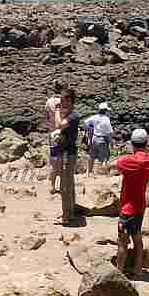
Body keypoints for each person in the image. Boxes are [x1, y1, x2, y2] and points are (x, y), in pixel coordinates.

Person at [113, 129, 149, 275]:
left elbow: (115, 164)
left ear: (132, 143)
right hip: (140, 206)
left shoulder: (130, 160)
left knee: (122, 242)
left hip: (128, 209)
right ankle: (138, 270)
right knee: (137, 237)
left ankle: (119, 272)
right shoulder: (147, 160)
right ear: (146, 144)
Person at [54, 88, 81, 223]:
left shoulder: (73, 116)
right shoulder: (70, 116)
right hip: (66, 153)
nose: (62, 104)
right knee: (69, 184)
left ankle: (66, 216)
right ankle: (70, 212)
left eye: (64, 102)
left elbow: (58, 125)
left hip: (67, 154)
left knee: (65, 186)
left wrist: (57, 111)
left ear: (70, 101)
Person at [84, 103, 113, 175]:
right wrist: (111, 141)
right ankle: (105, 173)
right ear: (105, 111)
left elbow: (85, 122)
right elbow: (110, 132)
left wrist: (88, 129)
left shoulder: (94, 117)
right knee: (106, 156)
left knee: (91, 156)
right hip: (103, 139)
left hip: (94, 138)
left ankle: (89, 172)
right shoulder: (106, 119)